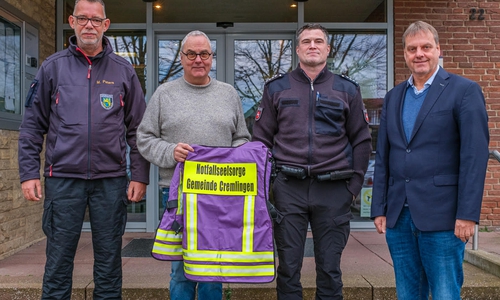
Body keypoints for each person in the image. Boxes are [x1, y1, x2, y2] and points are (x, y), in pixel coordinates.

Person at [17, 0, 150, 299]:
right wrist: (28, 173)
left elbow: (138, 130)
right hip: (63, 179)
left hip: (110, 180)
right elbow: (31, 127)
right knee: (58, 261)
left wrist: (140, 176)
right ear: (72, 22)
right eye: (83, 18)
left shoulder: (124, 71)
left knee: (108, 262)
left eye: (95, 20)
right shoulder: (52, 68)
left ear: (106, 25)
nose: (89, 25)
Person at [371, 21, 490, 300]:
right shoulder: (394, 97)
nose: (419, 54)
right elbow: (384, 156)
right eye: (412, 49)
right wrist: (379, 208)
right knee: (408, 293)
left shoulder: (464, 91)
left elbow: (474, 157)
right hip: (399, 216)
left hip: (444, 216)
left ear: (438, 49)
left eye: (426, 47)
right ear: (404, 54)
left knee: (445, 293)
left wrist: (468, 214)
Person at [252, 23, 372, 300]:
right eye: (306, 41)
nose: (312, 46)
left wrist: (353, 187)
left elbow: (362, 141)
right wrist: (268, 186)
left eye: (318, 41)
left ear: (328, 49)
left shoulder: (347, 90)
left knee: (330, 270)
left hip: (334, 189)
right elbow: (261, 142)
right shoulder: (276, 88)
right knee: (288, 268)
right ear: (297, 49)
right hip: (287, 189)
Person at [136, 30, 251, 300]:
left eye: (204, 54)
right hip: (178, 195)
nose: (198, 59)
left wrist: (230, 156)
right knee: (181, 270)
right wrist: (170, 151)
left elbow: (242, 138)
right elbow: (144, 138)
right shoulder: (164, 94)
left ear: (212, 58)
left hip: (219, 194)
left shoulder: (228, 94)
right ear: (181, 57)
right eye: (191, 54)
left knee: (213, 268)